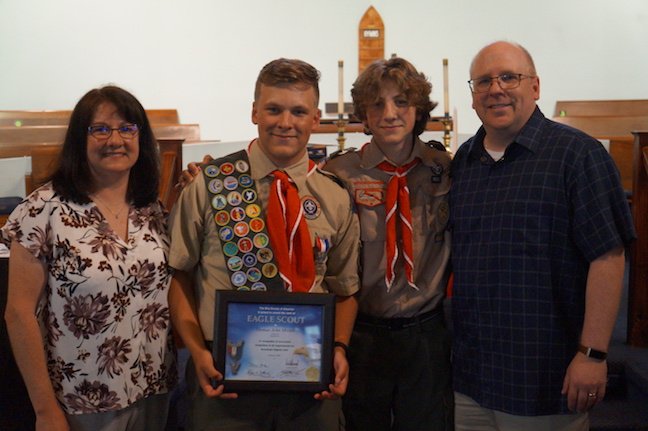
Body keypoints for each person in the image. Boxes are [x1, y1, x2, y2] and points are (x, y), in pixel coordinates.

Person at [449, 41, 636, 430]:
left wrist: (593, 354)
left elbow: (608, 257)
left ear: (534, 87)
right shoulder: (465, 161)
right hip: (471, 378)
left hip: (544, 377)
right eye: (483, 81)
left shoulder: (577, 155)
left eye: (508, 77)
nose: (496, 88)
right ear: (472, 96)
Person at [167, 58, 360, 431]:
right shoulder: (210, 185)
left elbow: (345, 289)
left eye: (298, 112)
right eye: (273, 109)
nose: (285, 123)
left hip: (309, 382)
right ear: (255, 111)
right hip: (224, 378)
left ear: (315, 119)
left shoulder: (334, 195)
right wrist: (197, 352)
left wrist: (339, 349)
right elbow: (178, 277)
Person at [2, 85, 177, 431]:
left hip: (155, 390)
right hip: (83, 401)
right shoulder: (43, 210)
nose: (116, 139)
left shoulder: (151, 208)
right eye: (101, 129)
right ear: (79, 139)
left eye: (127, 128)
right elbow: (18, 314)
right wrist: (44, 410)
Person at [324, 57, 453, 430]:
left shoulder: (443, 169)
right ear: (363, 115)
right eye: (377, 104)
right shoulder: (340, 174)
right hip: (363, 332)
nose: (390, 113)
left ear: (418, 110)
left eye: (401, 102)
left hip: (425, 332)